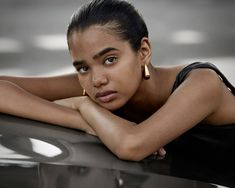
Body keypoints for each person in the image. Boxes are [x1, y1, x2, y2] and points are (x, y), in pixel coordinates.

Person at [0, 0, 235, 161]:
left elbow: (131, 146)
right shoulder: (96, 86)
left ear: (143, 51)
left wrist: (83, 105)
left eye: (110, 59)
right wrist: (80, 116)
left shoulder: (203, 83)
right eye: (83, 67)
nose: (97, 79)